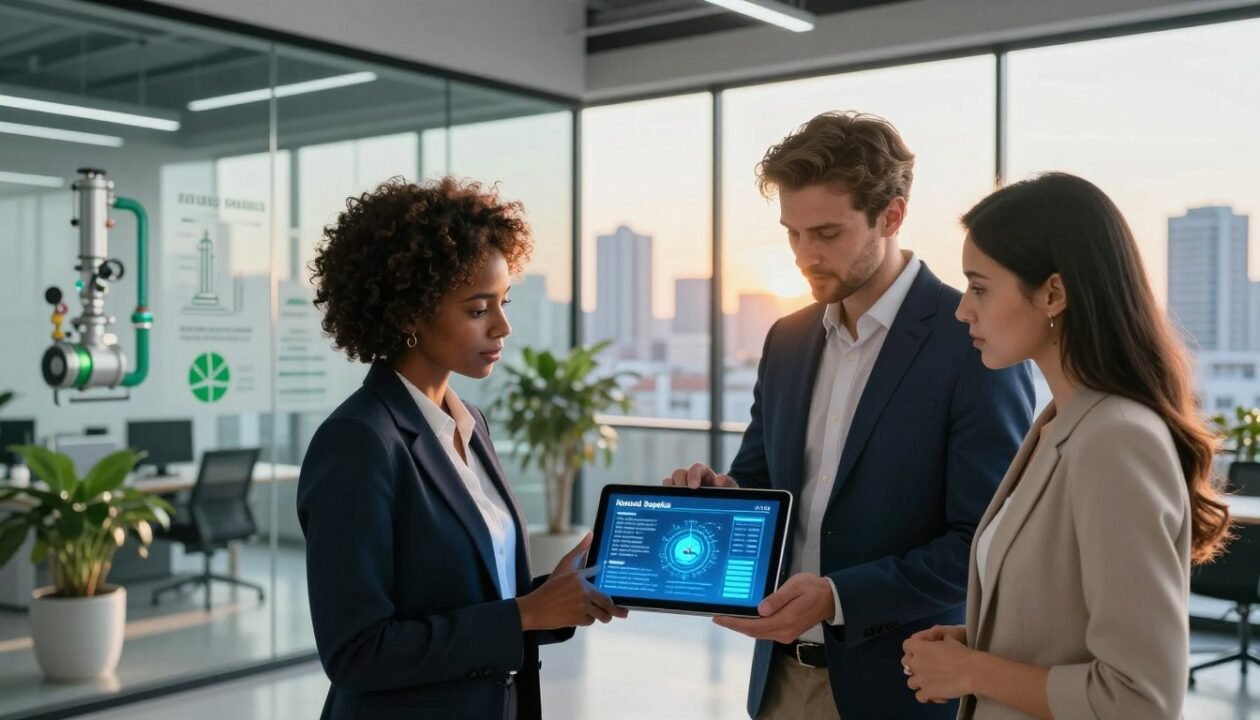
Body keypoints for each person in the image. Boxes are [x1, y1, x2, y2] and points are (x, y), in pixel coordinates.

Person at [666, 111, 1034, 719]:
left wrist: (838, 597)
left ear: (891, 216)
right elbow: (761, 481)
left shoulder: (971, 341)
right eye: (793, 233)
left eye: (828, 234)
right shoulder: (786, 338)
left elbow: (985, 544)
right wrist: (721, 496)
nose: (804, 256)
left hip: (904, 688)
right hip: (780, 679)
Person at [901, 172, 1232, 719]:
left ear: (1053, 292)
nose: (963, 309)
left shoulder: (1116, 439)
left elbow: (1139, 698)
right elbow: (1066, 618)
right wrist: (981, 639)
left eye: (979, 286)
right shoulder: (1058, 423)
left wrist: (972, 671)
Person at [298, 177, 626, 720]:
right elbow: (357, 653)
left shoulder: (469, 420)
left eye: (503, 302)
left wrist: (557, 597)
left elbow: (473, 597)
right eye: (478, 310)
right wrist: (523, 614)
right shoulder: (358, 442)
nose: (503, 326)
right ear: (409, 314)